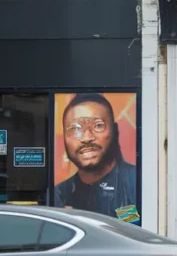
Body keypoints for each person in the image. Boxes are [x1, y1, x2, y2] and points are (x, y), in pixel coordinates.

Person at [54, 93, 138, 223]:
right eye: (75, 128)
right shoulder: (58, 195)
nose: (87, 138)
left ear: (115, 131)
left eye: (98, 126)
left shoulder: (137, 183)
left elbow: (134, 232)